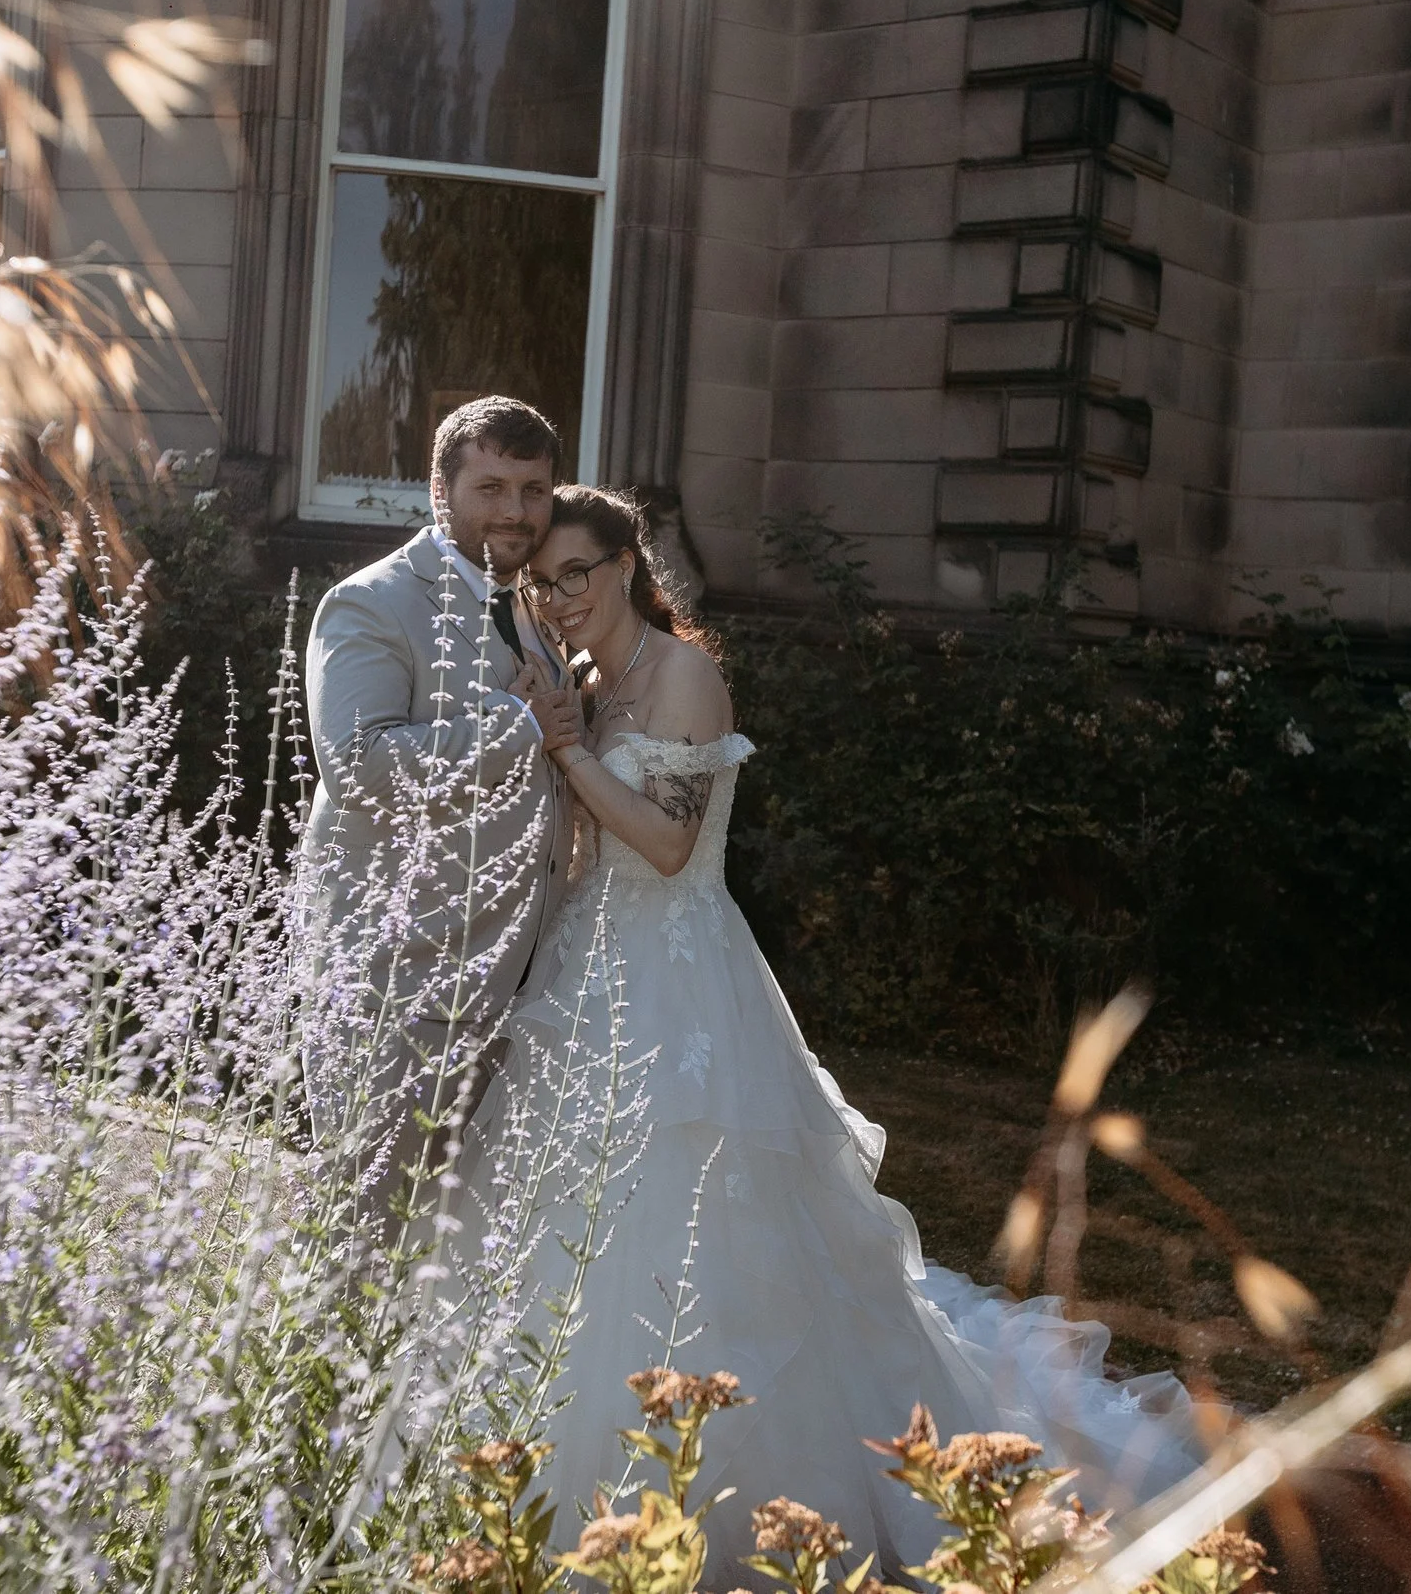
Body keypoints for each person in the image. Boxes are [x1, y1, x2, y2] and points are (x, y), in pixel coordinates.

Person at [468, 485, 1199, 1573]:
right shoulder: (590, 683)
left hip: (682, 988)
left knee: (704, 1232)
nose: (559, 597)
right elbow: (587, 853)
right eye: (541, 582)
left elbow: (667, 847)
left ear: (625, 563)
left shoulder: (685, 675)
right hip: (592, 974)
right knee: (562, 1223)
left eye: (575, 572)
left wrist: (567, 752)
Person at [300, 396, 586, 1213]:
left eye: (534, 490)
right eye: (490, 487)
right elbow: (357, 764)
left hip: (515, 985)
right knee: (366, 1230)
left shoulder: (536, 608)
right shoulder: (372, 603)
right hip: (398, 980)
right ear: (440, 489)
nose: (516, 511)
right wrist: (516, 725)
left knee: (456, 1252)